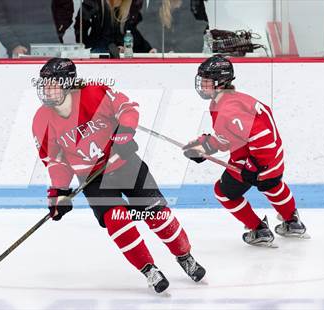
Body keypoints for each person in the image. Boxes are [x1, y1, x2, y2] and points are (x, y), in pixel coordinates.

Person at [32, 58, 205, 293]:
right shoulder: (41, 120)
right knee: (118, 221)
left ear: (69, 84)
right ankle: (149, 269)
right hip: (94, 179)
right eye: (45, 84)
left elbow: (127, 107)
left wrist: (124, 132)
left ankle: (184, 256)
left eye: (53, 83)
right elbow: (55, 160)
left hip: (125, 164)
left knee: (158, 216)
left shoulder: (94, 93)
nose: (47, 89)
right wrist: (59, 191)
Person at [183, 55, 308, 247]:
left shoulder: (229, 108)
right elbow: (228, 138)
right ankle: (293, 222)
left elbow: (262, 138)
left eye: (207, 81)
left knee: (223, 192)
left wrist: (255, 166)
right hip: (272, 157)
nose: (202, 85)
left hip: (260, 159)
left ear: (221, 81)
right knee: (272, 185)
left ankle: (258, 229)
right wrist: (203, 147)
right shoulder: (226, 101)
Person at [0, 0, 74, 57]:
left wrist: (57, 30)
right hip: (21, 49)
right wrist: (13, 45)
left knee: (53, 80)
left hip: (51, 45)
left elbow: (66, 6)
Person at [74, 0, 154, 53]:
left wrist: (147, 49)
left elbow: (132, 31)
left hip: (120, 54)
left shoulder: (128, 6)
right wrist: (86, 48)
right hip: (97, 51)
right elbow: (80, 27)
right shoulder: (94, 3)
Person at [137, 0, 209, 53]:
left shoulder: (194, 2)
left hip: (186, 55)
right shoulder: (156, 2)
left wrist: (176, 51)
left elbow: (202, 32)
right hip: (160, 55)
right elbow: (149, 29)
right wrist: (151, 48)